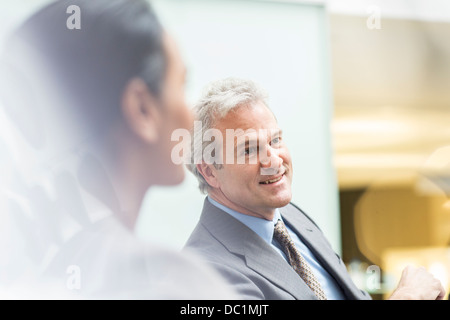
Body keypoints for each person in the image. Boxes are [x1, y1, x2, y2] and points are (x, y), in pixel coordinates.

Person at [0, 0, 235, 299]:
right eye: (181, 85)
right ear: (142, 109)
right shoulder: (171, 284)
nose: (192, 117)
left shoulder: (33, 272)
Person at [184, 77, 446, 300]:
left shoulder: (291, 217)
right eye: (250, 150)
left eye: (275, 140)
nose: (274, 161)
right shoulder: (202, 274)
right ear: (209, 171)